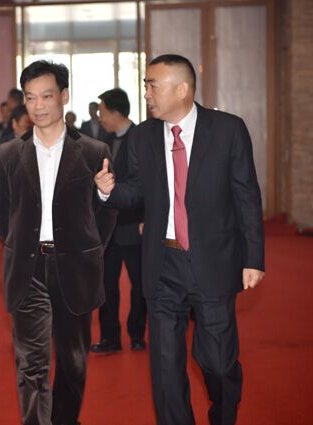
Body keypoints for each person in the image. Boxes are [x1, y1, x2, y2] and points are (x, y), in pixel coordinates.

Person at [95, 54, 265, 425]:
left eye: (152, 85)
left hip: (214, 261)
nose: (146, 94)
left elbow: (247, 196)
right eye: (146, 86)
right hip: (162, 263)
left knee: (217, 362)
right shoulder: (142, 136)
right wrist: (109, 191)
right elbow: (137, 191)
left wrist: (253, 257)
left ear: (182, 89)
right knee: (165, 369)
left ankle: (223, 415)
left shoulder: (228, 129)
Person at [0, 60, 117, 425]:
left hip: (74, 267)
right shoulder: (8, 154)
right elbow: (0, 214)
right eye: (30, 97)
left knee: (73, 361)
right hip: (27, 269)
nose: (38, 105)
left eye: (46, 96)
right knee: (30, 363)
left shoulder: (94, 150)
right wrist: (21, 245)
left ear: (64, 96)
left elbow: (106, 213)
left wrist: (91, 242)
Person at [90, 88, 147, 354]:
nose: (99, 117)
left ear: (116, 112)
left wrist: (147, 218)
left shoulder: (142, 138)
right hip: (108, 228)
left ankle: (137, 334)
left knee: (139, 284)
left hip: (134, 224)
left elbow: (149, 185)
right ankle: (110, 338)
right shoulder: (103, 140)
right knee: (106, 284)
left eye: (102, 112)